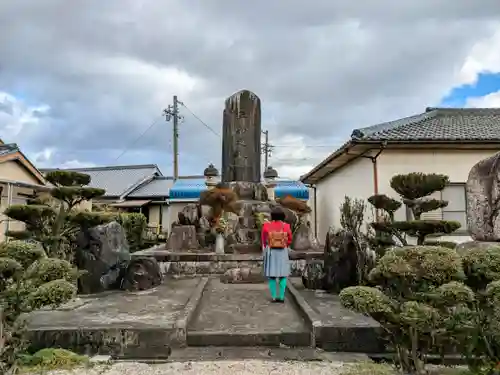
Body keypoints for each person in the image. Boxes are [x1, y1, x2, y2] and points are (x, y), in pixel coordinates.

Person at [261, 207, 292, 303]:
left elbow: (263, 239)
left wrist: (266, 247)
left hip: (271, 251)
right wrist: (285, 245)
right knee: (283, 275)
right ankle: (281, 297)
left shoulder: (266, 225)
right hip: (282, 251)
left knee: (272, 275)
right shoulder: (286, 226)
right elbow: (290, 238)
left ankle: (274, 297)